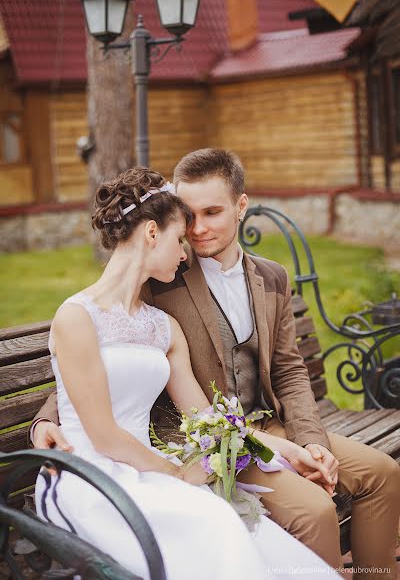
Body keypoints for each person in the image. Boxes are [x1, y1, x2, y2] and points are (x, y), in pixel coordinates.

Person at [32, 150, 400, 579]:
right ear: (157, 230)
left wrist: (305, 444)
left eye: (211, 212)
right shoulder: (158, 284)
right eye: (187, 219)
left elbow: (287, 371)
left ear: (241, 206)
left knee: (384, 473)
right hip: (178, 450)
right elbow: (94, 367)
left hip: (252, 428)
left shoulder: (266, 279)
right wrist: (43, 421)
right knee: (305, 512)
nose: (194, 233)